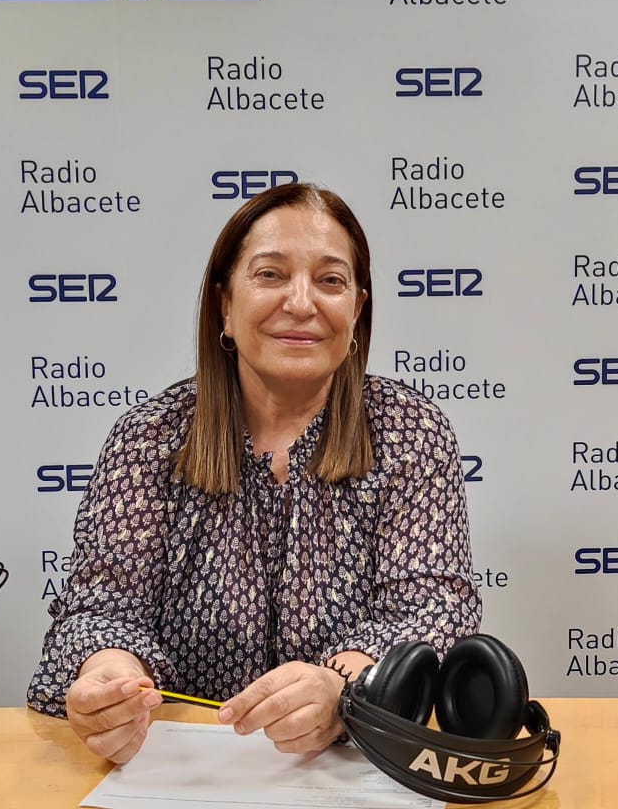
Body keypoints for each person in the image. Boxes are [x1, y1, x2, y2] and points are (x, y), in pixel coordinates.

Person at [28, 183, 482, 762]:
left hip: (349, 772)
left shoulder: (409, 432)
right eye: (270, 275)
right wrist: (110, 678)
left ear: (357, 310)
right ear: (224, 304)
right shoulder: (149, 437)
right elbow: (100, 610)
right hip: (183, 771)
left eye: (331, 281)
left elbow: (433, 610)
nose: (301, 303)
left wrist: (341, 687)